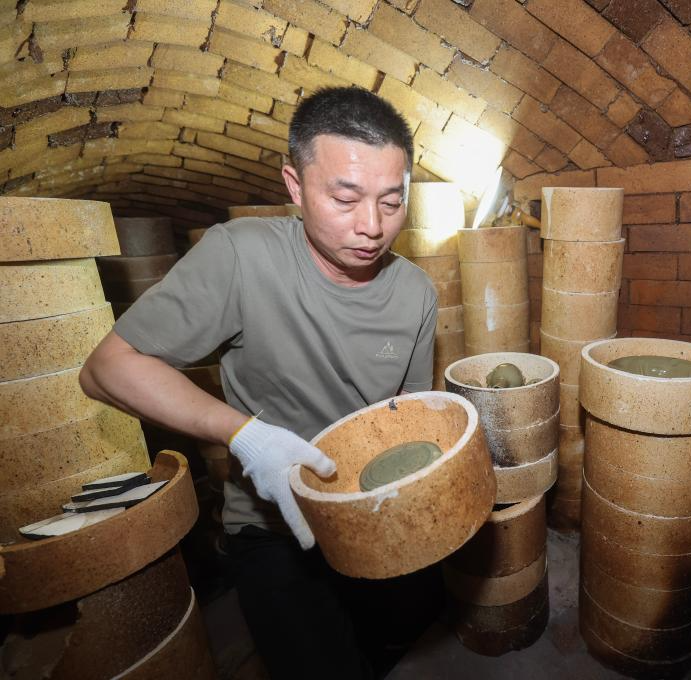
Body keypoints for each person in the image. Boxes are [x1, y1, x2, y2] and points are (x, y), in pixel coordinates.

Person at [79, 87, 439, 679]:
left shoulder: (415, 293)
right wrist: (246, 436)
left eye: (392, 202)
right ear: (296, 188)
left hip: (370, 508)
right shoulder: (242, 257)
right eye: (344, 199)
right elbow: (107, 368)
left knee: (402, 635)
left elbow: (406, 418)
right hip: (274, 526)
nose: (371, 226)